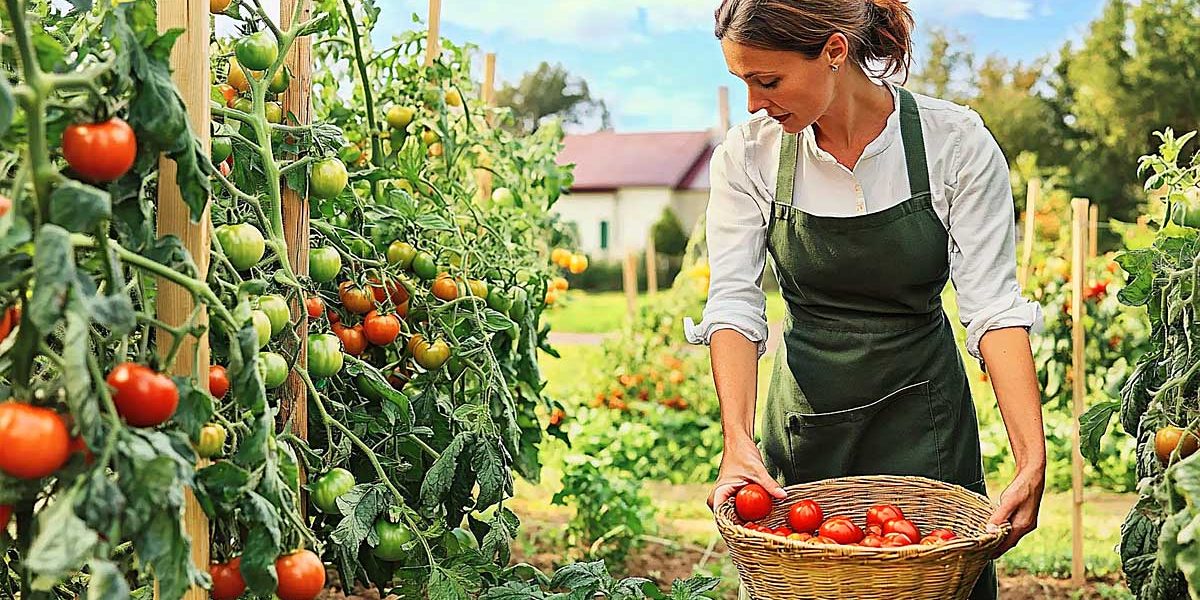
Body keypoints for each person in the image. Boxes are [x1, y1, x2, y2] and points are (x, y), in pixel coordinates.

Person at [687, 1, 1047, 597]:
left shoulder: (951, 142)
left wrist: (1030, 455)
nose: (754, 102)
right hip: (807, 422)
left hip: (925, 418)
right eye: (743, 82)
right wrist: (738, 442)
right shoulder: (747, 156)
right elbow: (733, 305)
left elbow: (994, 312)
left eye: (767, 80)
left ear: (834, 51)